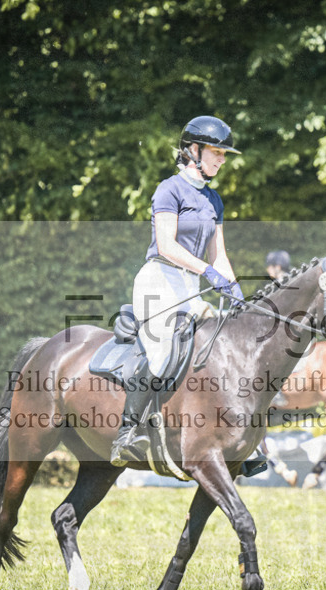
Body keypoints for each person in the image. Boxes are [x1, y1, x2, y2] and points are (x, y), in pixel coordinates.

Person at [111, 115, 244, 465]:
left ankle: (242, 440)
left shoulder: (213, 200)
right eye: (217, 152)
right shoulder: (168, 189)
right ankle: (127, 433)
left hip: (190, 286)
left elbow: (219, 255)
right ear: (193, 150)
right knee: (160, 351)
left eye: (224, 154)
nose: (222, 160)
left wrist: (234, 289)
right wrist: (209, 272)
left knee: (224, 347)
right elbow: (167, 245)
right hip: (159, 280)